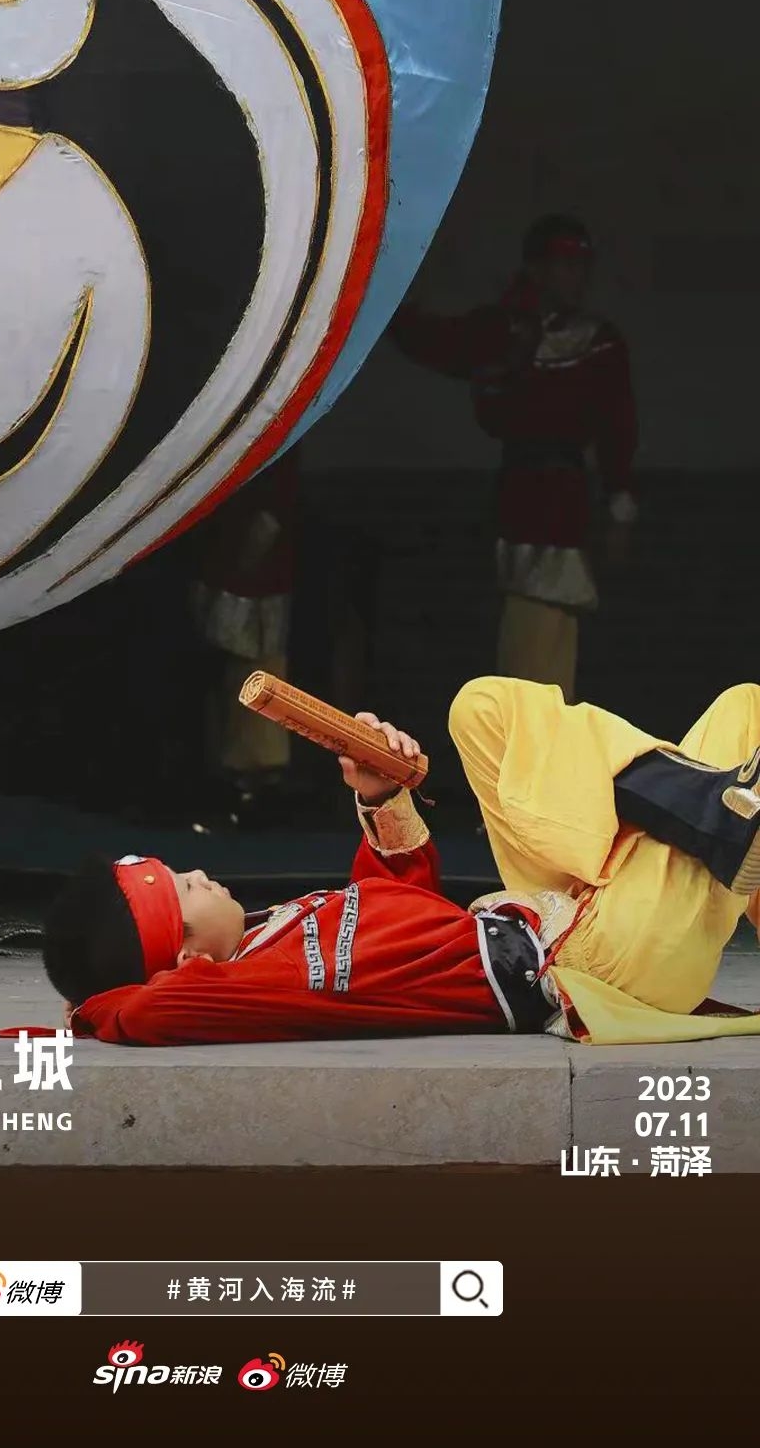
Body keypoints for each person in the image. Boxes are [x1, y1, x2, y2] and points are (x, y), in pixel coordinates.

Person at [39, 679, 760, 1049]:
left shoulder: (273, 930)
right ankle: (721, 816)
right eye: (183, 889)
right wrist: (93, 1008)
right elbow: (150, 1009)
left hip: (565, 901)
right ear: (185, 959)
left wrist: (380, 793)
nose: (199, 874)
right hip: (595, 962)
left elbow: (402, 903)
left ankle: (720, 814)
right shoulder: (252, 986)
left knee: (483, 708)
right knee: (743, 745)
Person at [388, 216, 637, 701]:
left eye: (581, 265)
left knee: (554, 636)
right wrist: (384, 296)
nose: (576, 276)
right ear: (537, 269)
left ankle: (542, 733)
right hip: (517, 499)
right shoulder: (503, 330)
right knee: (523, 639)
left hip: (567, 505)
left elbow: (619, 430)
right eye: (564, 264)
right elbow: (437, 340)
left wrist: (620, 508)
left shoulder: (600, 342)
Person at [187, 453, 300, 820]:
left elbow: (272, 513)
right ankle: (233, 775)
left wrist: (243, 562)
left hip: (254, 584)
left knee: (258, 676)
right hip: (224, 575)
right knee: (225, 677)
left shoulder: (275, 456)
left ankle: (255, 779)